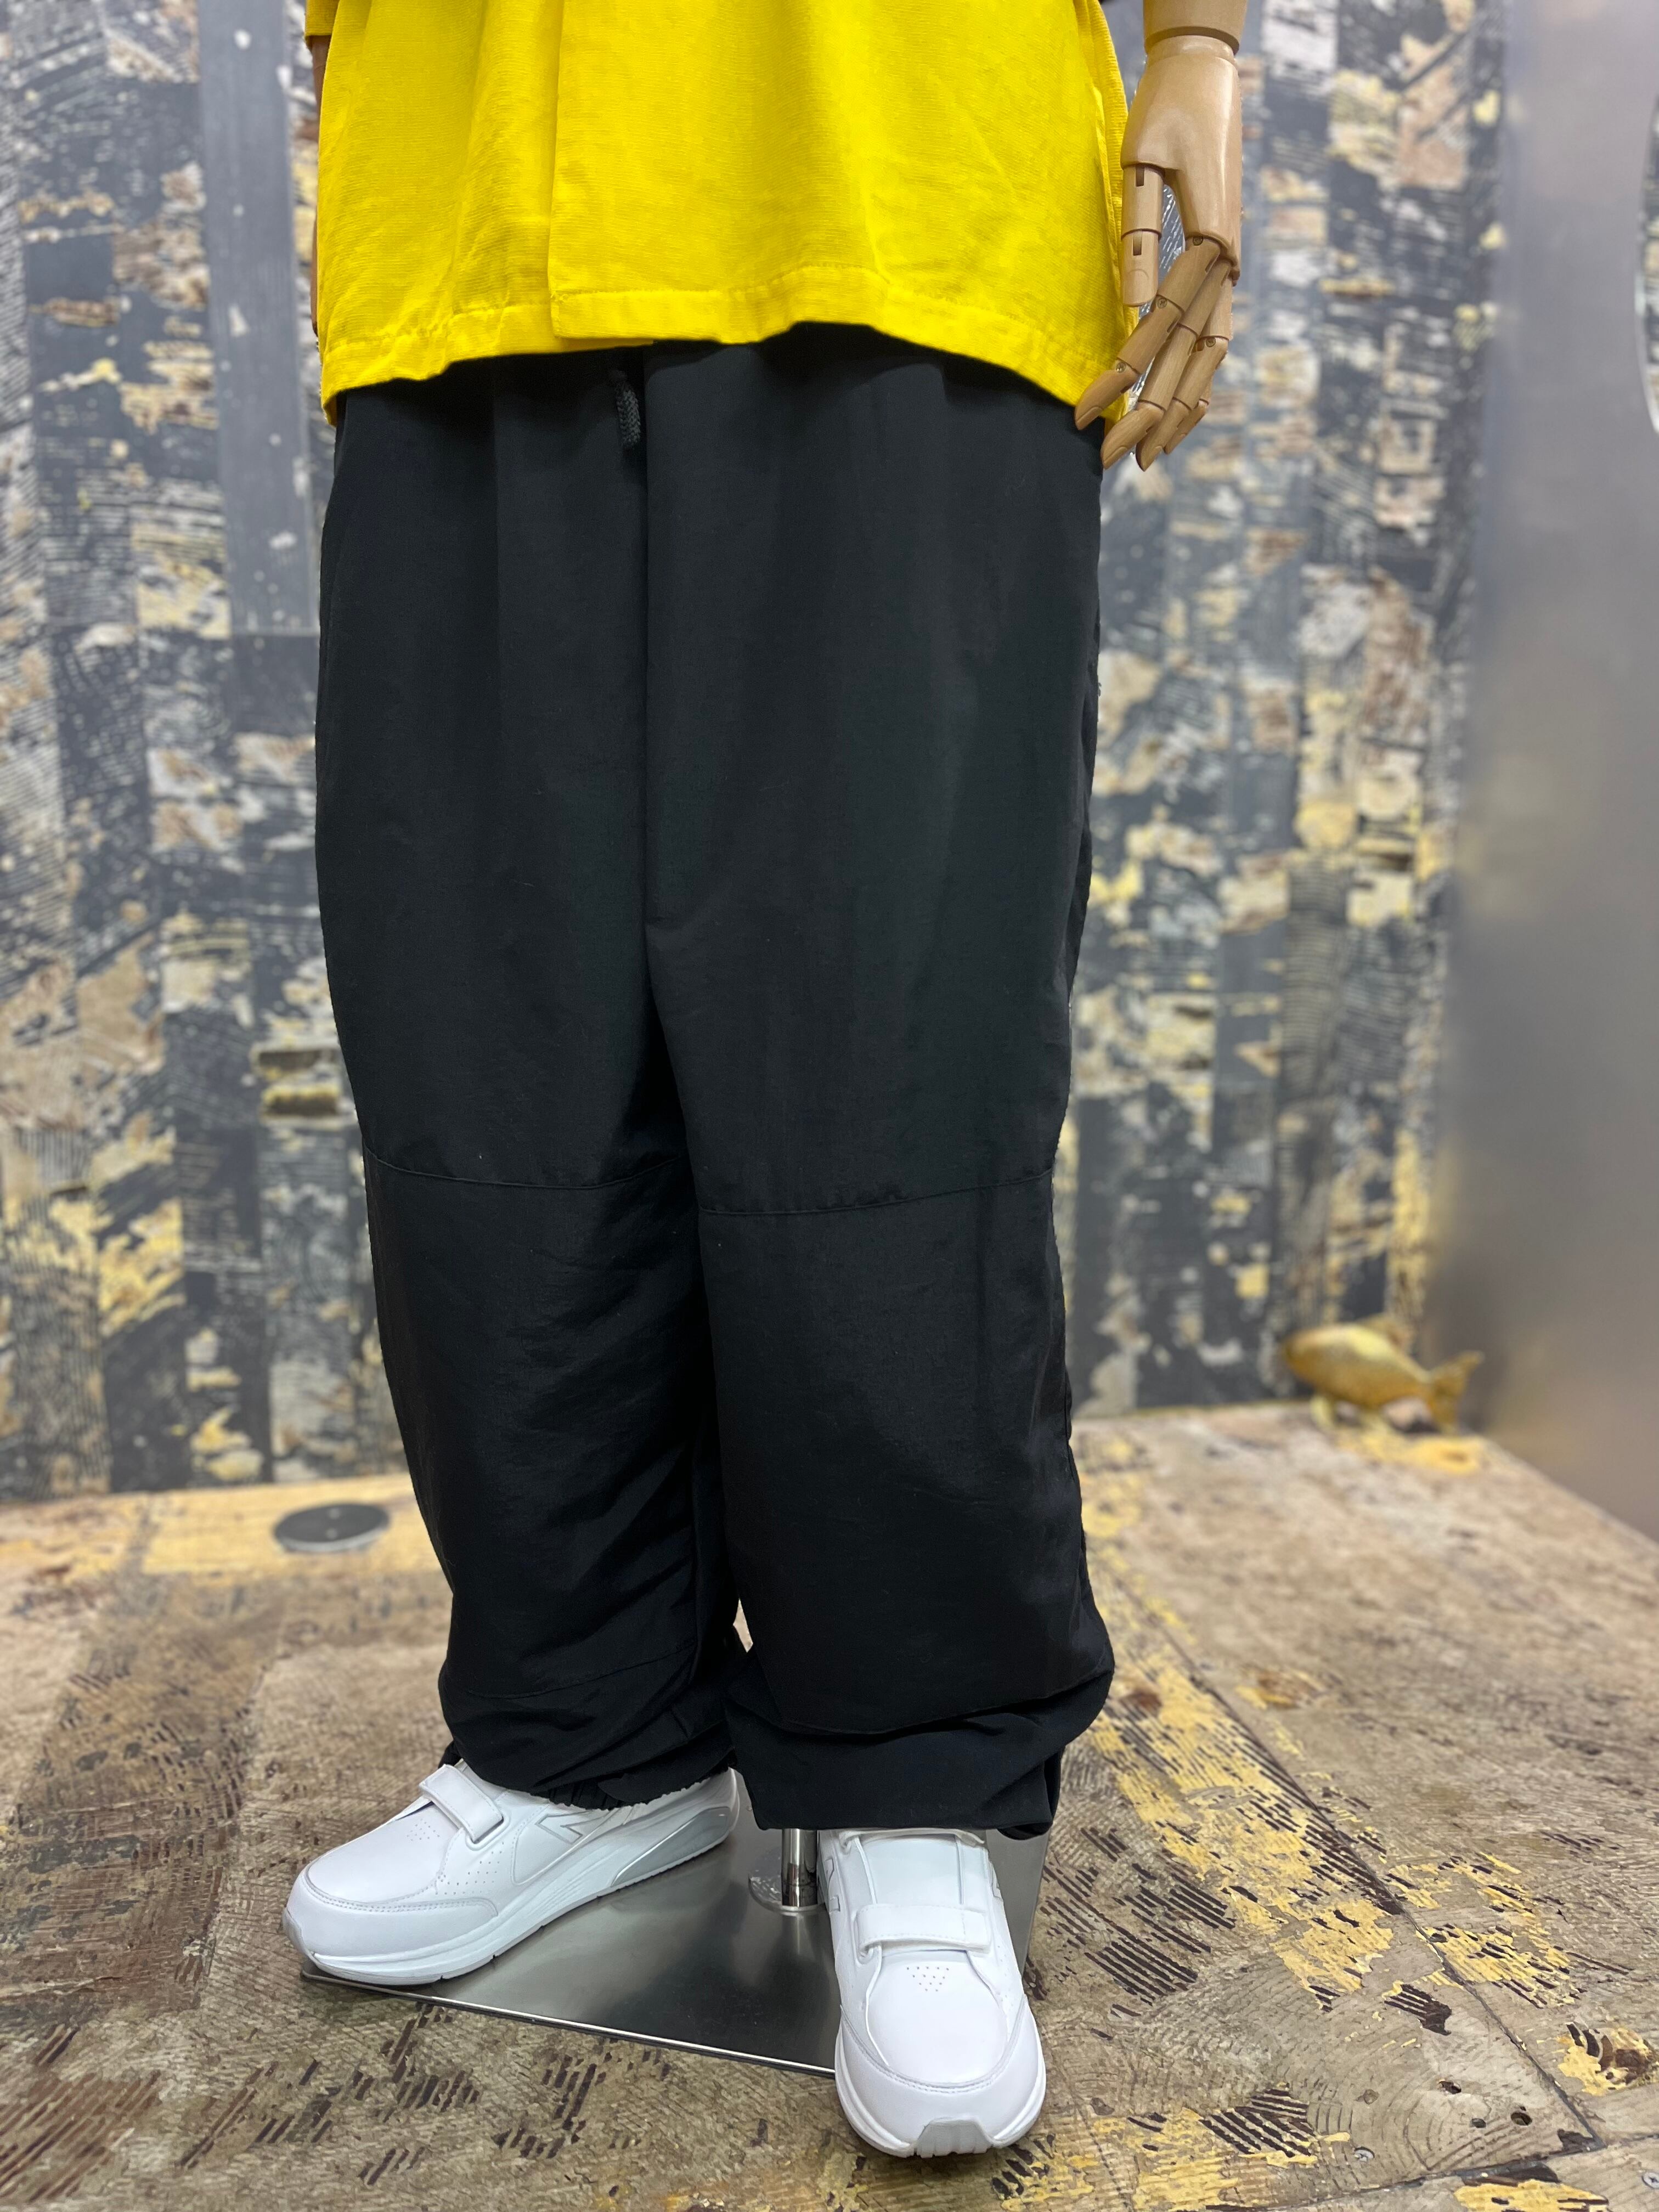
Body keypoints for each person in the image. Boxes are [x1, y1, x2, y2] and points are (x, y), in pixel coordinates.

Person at [281, 0, 1245, 2159]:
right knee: (485, 1050)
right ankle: (583, 1737)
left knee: (883, 1049)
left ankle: (907, 1773)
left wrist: (1201, 37)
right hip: (469, 204)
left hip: (889, 176)